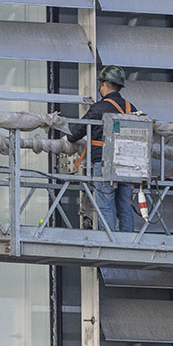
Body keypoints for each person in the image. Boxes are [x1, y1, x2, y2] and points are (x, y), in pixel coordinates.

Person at [71, 65, 139, 233]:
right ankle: (127, 240)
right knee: (124, 205)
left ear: (104, 84)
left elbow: (75, 133)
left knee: (105, 204)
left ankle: (109, 240)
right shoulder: (131, 109)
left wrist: (66, 138)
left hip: (103, 163)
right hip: (126, 165)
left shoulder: (98, 108)